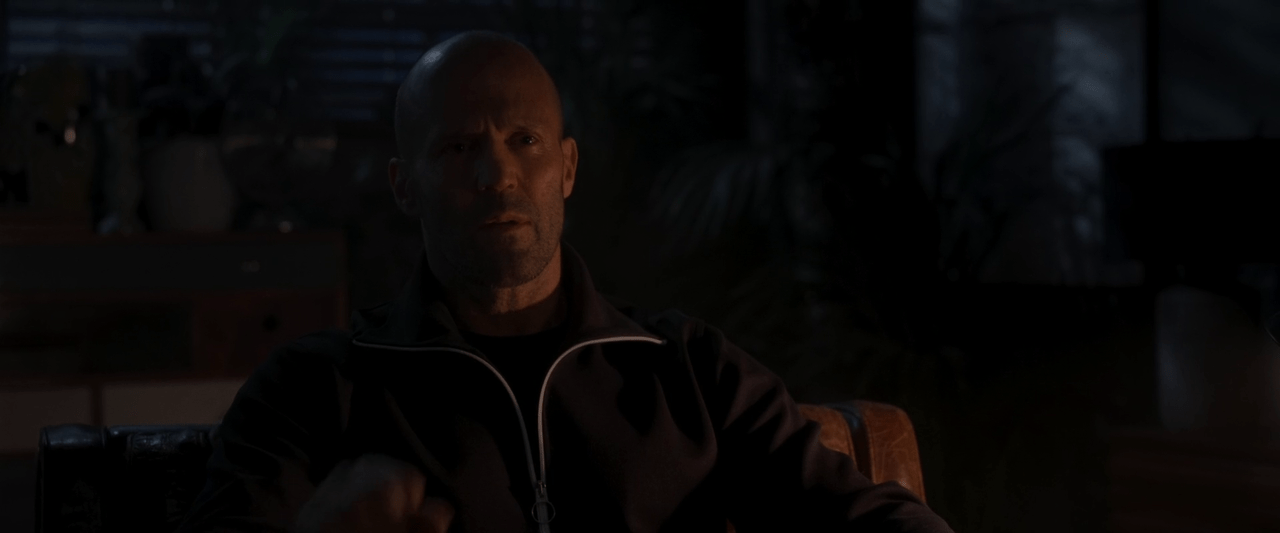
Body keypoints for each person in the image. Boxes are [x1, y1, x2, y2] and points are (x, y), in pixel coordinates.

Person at [177, 31, 954, 533]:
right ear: (404, 185)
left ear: (568, 168)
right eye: (458, 148)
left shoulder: (688, 369)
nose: (497, 173)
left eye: (524, 140)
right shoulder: (315, 389)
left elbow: (856, 511)